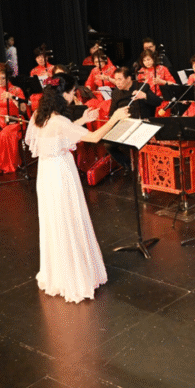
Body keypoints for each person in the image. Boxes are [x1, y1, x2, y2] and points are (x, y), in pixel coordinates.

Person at [25, 73, 130, 303]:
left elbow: (56, 135)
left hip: (46, 173)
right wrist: (115, 119)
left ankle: (60, 273)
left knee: (56, 221)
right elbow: (93, 138)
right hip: (61, 172)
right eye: (72, 92)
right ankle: (75, 274)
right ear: (63, 95)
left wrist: (82, 120)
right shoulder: (60, 121)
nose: (74, 96)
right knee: (69, 218)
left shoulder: (39, 115)